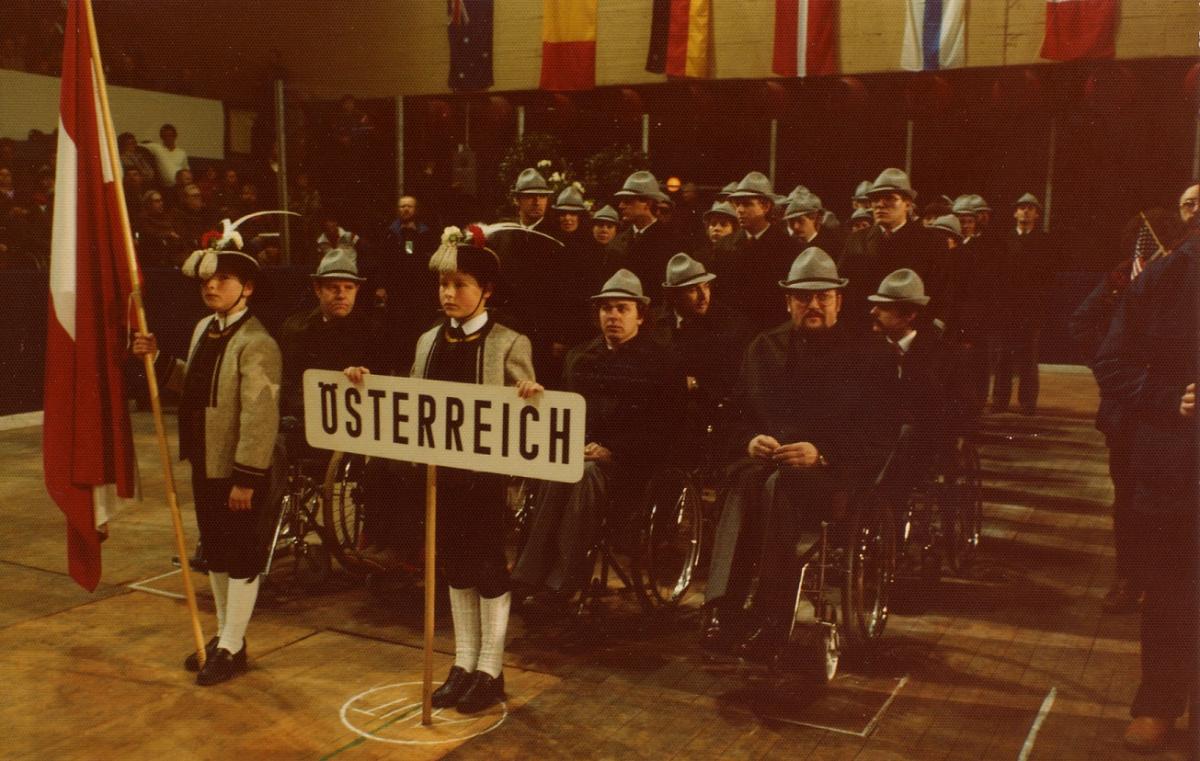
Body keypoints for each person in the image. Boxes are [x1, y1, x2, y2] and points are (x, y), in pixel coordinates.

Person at [705, 248, 895, 656]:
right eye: (802, 298)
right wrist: (749, 440)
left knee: (778, 487)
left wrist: (822, 453)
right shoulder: (763, 348)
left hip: (832, 474)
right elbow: (735, 415)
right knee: (742, 480)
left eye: (822, 297)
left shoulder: (869, 353)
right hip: (767, 466)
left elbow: (880, 432)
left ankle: (771, 614)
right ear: (787, 300)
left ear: (838, 302)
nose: (813, 305)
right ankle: (724, 606)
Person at [131, 243, 281, 686]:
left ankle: (233, 645)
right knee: (216, 552)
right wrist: (157, 359)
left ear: (247, 288)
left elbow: (260, 415)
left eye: (224, 279)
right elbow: (194, 387)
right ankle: (225, 635)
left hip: (240, 473)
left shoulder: (258, 344)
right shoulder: (204, 330)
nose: (212, 286)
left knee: (242, 556)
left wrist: (246, 478)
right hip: (206, 463)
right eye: (208, 280)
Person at [403, 227, 540, 714]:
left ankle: (491, 668)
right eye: (442, 284)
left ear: (486, 291)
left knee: (487, 568)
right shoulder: (426, 342)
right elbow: (413, 404)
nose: (448, 293)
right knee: (455, 567)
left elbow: (536, 418)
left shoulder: (508, 342)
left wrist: (530, 396)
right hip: (443, 479)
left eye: (459, 284)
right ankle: (463, 662)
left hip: (487, 479)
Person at [513, 270, 685, 605]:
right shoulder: (580, 356)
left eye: (622, 309)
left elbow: (667, 429)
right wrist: (538, 396)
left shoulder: (662, 362)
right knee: (557, 467)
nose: (614, 317)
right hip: (580, 454)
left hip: (635, 467)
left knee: (584, 473)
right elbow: (564, 410)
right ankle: (527, 575)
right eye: (607, 309)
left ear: (640, 315)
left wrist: (611, 451)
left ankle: (563, 583)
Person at [1093, 214, 1198, 754]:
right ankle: (1158, 705)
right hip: (1179, 466)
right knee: (1172, 591)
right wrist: (1166, 398)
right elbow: (1110, 362)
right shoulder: (1164, 277)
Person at [1070, 208, 1184, 614]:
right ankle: (1131, 577)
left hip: (1165, 416)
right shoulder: (1123, 277)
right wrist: (1108, 364)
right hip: (1131, 412)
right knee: (1130, 501)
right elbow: (1081, 323)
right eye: (1188, 206)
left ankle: (1154, 580)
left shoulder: (1181, 273)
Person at [838, 168, 947, 333]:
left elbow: (940, 293)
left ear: (908, 204)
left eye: (889, 198)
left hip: (910, 335)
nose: (880, 204)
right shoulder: (856, 240)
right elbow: (844, 288)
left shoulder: (931, 242)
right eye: (875, 199)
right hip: (863, 334)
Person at [652, 254, 747, 419]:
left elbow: (732, 381)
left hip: (711, 415)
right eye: (693, 290)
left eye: (706, 286)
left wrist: (693, 384)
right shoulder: (653, 322)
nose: (704, 296)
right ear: (672, 295)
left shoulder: (731, 325)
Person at [992, 192, 1053, 414]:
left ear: (1037, 214)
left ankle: (1027, 403)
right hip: (1006, 310)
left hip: (1030, 311)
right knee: (1003, 359)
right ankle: (999, 401)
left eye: (1030, 208)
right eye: (1021, 207)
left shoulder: (1045, 242)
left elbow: (1047, 278)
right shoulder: (1004, 240)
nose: (1025, 211)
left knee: (1028, 360)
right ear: (1015, 212)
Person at [719, 172, 797, 335]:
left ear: (766, 206)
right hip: (732, 334)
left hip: (772, 333)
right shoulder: (724, 246)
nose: (739, 210)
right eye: (737, 204)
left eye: (747, 204)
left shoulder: (788, 248)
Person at [609, 171, 679, 303]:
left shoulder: (671, 242)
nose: (621, 206)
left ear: (647, 203)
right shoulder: (616, 243)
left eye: (628, 201)